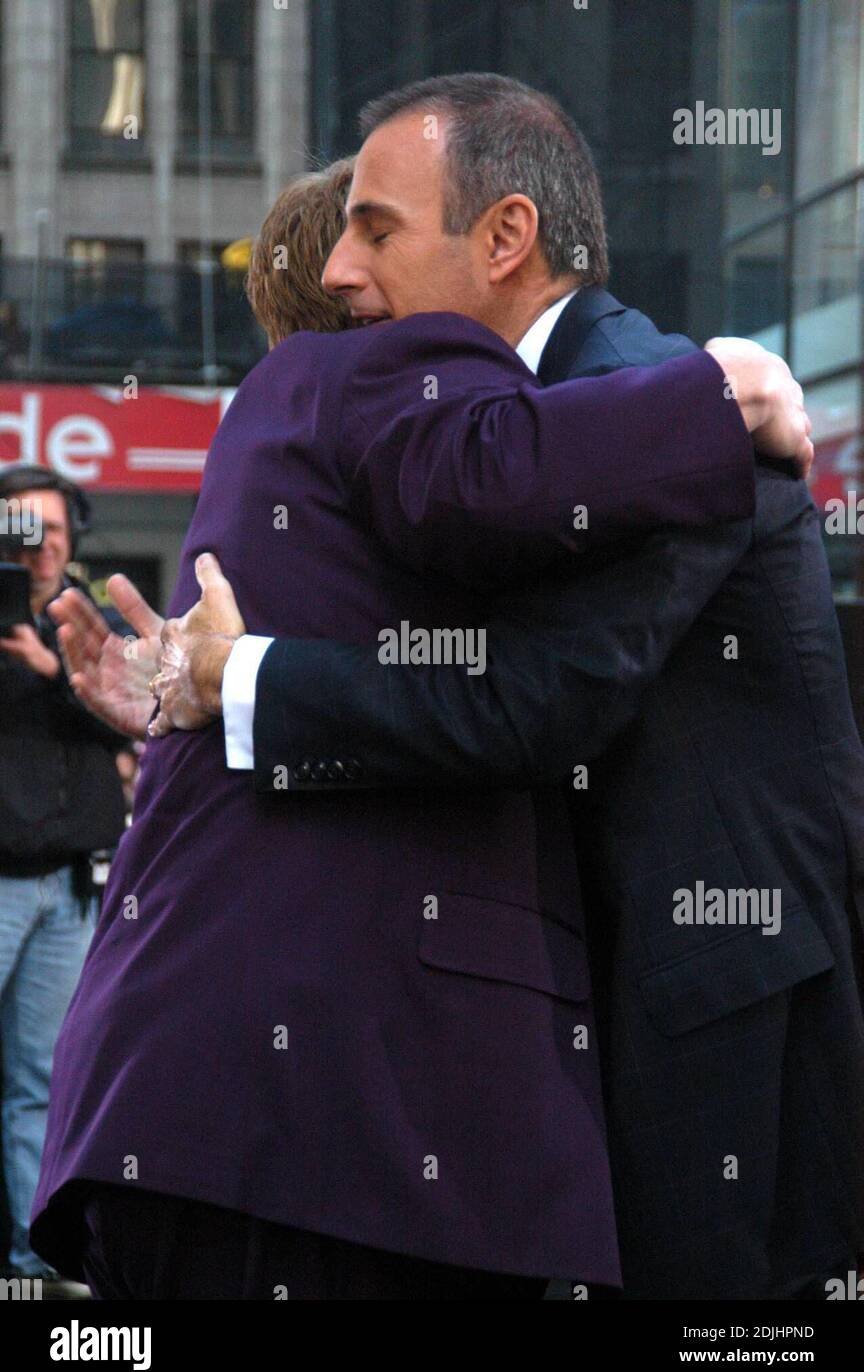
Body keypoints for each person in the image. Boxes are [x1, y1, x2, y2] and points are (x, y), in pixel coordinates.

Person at [35, 109, 809, 1299]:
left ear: (501, 237)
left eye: (378, 234)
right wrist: (727, 386)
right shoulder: (395, 377)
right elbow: (521, 643)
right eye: (350, 240)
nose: (355, 270)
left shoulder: (296, 429)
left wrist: (228, 682)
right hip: (327, 1129)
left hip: (251, 1111)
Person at [0, 466, 127, 1293]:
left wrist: (54, 671)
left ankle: (37, 1262)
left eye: (52, 526)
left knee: (45, 1087)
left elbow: (138, 710)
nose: (40, 542)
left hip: (74, 888)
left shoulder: (98, 624)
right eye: (21, 526)